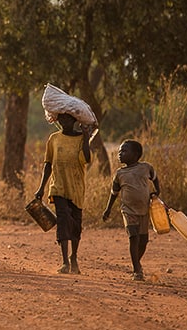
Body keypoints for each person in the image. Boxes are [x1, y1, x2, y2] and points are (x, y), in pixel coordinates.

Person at [34, 113, 94, 274]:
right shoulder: (54, 139)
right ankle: (65, 261)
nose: (64, 122)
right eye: (61, 119)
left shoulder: (82, 139)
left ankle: (74, 257)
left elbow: (87, 159)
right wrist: (41, 188)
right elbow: (48, 164)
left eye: (68, 119)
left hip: (76, 188)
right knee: (63, 220)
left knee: (76, 224)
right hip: (58, 187)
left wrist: (87, 138)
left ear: (75, 120)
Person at [102, 140, 160, 281]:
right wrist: (107, 209)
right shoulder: (119, 173)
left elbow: (155, 178)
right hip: (128, 210)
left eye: (124, 151)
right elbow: (114, 193)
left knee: (143, 240)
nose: (120, 154)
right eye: (119, 151)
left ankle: (137, 262)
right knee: (133, 237)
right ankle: (136, 270)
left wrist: (157, 191)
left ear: (136, 154)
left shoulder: (146, 168)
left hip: (144, 210)